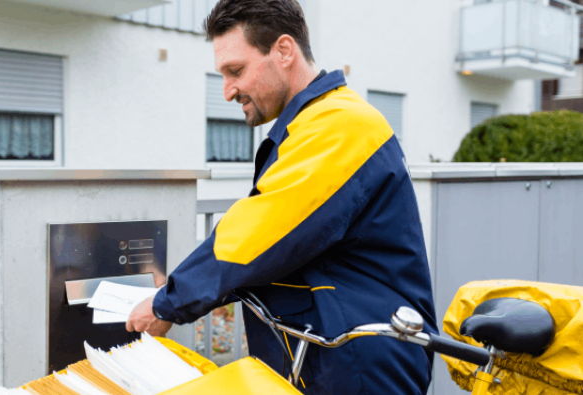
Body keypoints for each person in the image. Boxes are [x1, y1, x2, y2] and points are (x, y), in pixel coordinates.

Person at [126, 0, 437, 393]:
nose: (227, 91)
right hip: (333, 356)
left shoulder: (341, 125)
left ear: (284, 51)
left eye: (236, 71)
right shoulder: (313, 126)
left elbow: (257, 236)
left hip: (360, 363)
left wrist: (166, 303)